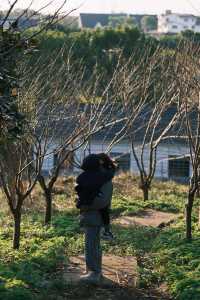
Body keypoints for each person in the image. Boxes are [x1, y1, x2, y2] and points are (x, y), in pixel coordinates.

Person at [75, 153, 116, 283]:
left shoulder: (104, 180)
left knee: (91, 245)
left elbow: (102, 201)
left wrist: (85, 205)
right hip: (92, 216)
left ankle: (94, 273)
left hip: (95, 216)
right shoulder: (97, 178)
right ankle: (93, 271)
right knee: (92, 245)